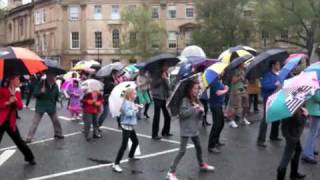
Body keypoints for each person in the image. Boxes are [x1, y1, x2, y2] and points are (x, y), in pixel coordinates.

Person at [167, 80, 215, 180]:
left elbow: (199, 116)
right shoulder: (185, 100)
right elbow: (182, 114)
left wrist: (201, 112)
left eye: (198, 88)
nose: (197, 90)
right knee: (182, 151)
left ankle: (201, 164)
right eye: (194, 88)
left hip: (194, 128)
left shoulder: (196, 99)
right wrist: (194, 108)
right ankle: (171, 172)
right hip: (186, 129)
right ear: (189, 89)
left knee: (199, 147)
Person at [0, 75, 35, 165]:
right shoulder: (2, 90)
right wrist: (8, 102)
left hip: (11, 122)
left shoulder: (17, 92)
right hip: (1, 121)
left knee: (19, 141)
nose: (19, 81)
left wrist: (15, 100)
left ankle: (29, 157)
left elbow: (20, 107)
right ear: (11, 80)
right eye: (17, 79)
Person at [25, 74, 64, 143]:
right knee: (35, 122)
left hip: (51, 106)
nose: (53, 78)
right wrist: (41, 92)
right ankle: (29, 137)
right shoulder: (41, 83)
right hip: (41, 106)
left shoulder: (55, 85)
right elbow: (35, 94)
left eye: (54, 77)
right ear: (48, 76)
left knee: (56, 121)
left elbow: (57, 94)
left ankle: (58, 134)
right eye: (52, 76)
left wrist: (58, 98)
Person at [112, 88, 141, 173]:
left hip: (130, 126)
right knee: (124, 146)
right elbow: (128, 113)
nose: (135, 95)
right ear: (129, 95)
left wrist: (136, 106)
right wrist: (135, 109)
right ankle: (116, 164)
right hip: (126, 126)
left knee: (135, 142)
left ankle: (131, 155)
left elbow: (131, 108)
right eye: (134, 94)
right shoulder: (125, 103)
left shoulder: (130, 102)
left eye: (135, 93)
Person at [277, 107, 307, 180]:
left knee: (298, 150)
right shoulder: (294, 108)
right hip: (292, 136)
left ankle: (294, 173)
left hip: (291, 134)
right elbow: (299, 122)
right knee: (286, 157)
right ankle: (284, 176)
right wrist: (305, 115)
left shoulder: (287, 107)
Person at [257, 60, 282, 147]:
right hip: (268, 98)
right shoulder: (267, 74)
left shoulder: (278, 74)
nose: (279, 65)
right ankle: (261, 140)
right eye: (278, 64)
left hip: (277, 97)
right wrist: (275, 85)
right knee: (266, 119)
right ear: (273, 65)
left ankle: (273, 135)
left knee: (277, 116)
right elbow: (264, 86)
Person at [208, 76, 229, 153]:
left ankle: (216, 141)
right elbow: (218, 93)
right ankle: (211, 146)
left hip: (219, 105)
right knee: (216, 125)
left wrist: (225, 86)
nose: (223, 72)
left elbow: (222, 88)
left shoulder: (218, 80)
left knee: (221, 123)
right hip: (215, 105)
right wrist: (226, 89)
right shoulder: (214, 81)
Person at [151, 63, 172, 140]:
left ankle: (165, 131)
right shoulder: (155, 74)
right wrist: (161, 79)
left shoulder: (166, 73)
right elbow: (153, 85)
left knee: (167, 115)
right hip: (157, 97)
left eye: (167, 66)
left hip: (164, 97)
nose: (167, 67)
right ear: (162, 66)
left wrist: (165, 79)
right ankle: (154, 134)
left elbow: (168, 87)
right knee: (157, 116)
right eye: (166, 66)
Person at [226, 63, 250, 127]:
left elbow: (245, 81)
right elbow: (233, 81)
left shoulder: (243, 71)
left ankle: (243, 118)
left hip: (243, 89)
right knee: (235, 106)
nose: (244, 64)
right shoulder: (235, 71)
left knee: (246, 105)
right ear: (240, 64)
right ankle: (232, 121)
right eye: (243, 63)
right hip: (236, 90)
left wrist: (245, 81)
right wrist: (240, 77)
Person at [301, 89, 320, 164]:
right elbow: (318, 97)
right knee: (313, 133)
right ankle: (307, 154)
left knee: (316, 132)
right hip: (315, 111)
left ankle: (311, 149)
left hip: (315, 110)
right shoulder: (316, 85)